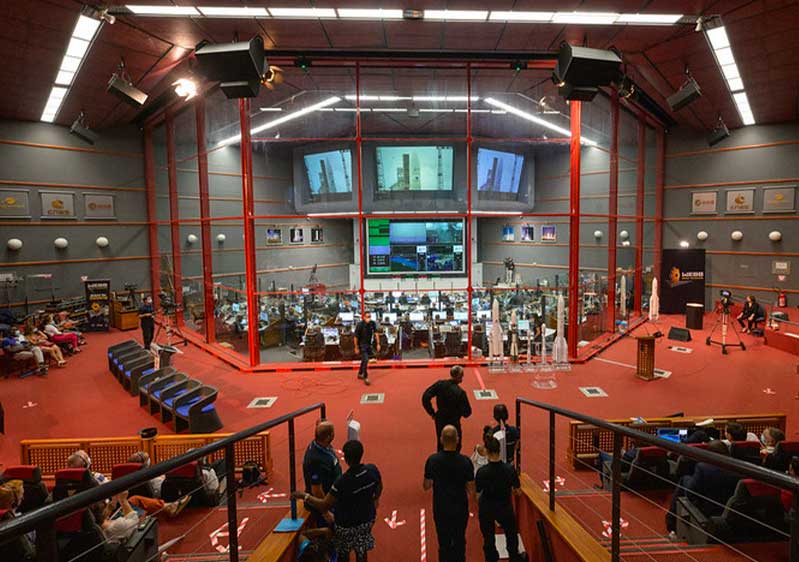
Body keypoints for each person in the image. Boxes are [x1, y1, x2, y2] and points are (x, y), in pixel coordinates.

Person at [296, 440, 382, 562]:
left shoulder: (342, 482)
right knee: (361, 548)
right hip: (367, 520)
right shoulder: (372, 470)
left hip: (345, 525)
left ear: (345, 458)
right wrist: (376, 500)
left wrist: (304, 496)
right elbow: (379, 487)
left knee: (343, 551)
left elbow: (324, 504)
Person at [666, 440, 741, 538]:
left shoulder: (703, 468)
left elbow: (690, 493)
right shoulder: (739, 469)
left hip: (705, 511)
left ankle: (671, 524)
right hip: (728, 514)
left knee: (684, 480)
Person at [423, 425, 474, 562]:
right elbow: (471, 490)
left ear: (441, 440)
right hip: (460, 508)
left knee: (443, 542)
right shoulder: (465, 461)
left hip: (441, 507)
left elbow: (426, 486)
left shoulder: (433, 460)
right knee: (459, 540)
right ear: (457, 440)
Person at [476, 437, 526, 562]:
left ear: (487, 451)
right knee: (511, 534)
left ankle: (491, 558)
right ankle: (514, 556)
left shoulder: (482, 472)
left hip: (487, 507)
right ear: (499, 450)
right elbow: (518, 491)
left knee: (488, 538)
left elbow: (477, 494)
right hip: (504, 506)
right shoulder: (509, 469)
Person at [422, 366, 472, 452]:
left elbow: (425, 397)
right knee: (456, 445)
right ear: (459, 376)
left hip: (440, 419)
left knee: (441, 443)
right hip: (454, 421)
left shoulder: (440, 385)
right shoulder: (460, 392)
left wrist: (432, 412)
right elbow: (467, 413)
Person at [302, 421, 342, 526]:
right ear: (328, 437)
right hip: (324, 504)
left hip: (333, 496)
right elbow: (316, 490)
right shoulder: (315, 460)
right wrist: (326, 512)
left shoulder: (323, 445)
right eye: (333, 432)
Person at [354, 311, 380, 385]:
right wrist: (356, 347)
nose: (369, 318)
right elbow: (355, 337)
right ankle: (365, 377)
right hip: (361, 345)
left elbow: (376, 333)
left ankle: (360, 373)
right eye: (367, 317)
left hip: (368, 344)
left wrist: (378, 344)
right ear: (364, 317)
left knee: (364, 360)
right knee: (365, 360)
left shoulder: (372, 323)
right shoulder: (360, 325)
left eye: (370, 317)